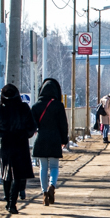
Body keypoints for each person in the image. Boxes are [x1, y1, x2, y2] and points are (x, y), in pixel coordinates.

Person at [0, 83, 36, 214]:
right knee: (18, 174)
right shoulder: (23, 108)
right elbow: (31, 127)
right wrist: (24, 135)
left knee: (6, 174)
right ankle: (13, 203)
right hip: (20, 143)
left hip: (5, 144)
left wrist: (5, 134)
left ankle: (8, 201)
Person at [32, 78, 70, 206]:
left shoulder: (36, 106)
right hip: (55, 139)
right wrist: (64, 140)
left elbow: (33, 124)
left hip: (41, 138)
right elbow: (63, 125)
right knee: (54, 166)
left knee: (43, 167)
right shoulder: (58, 106)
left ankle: (44, 193)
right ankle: (52, 186)